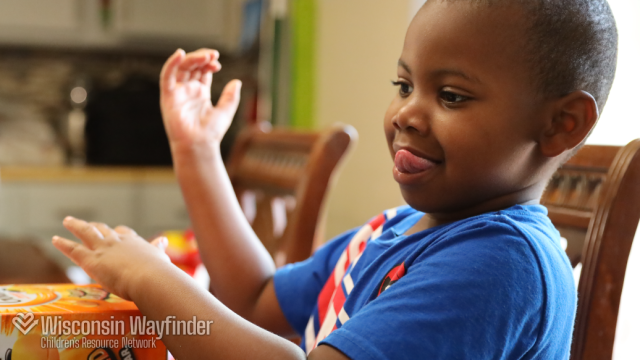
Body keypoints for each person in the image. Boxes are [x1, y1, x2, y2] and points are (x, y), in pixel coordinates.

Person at [52, 0, 618, 358]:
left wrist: (155, 283)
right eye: (404, 86)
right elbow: (253, 301)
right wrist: (198, 150)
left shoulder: (503, 264)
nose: (405, 115)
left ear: (559, 125)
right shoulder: (397, 230)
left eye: (450, 95)